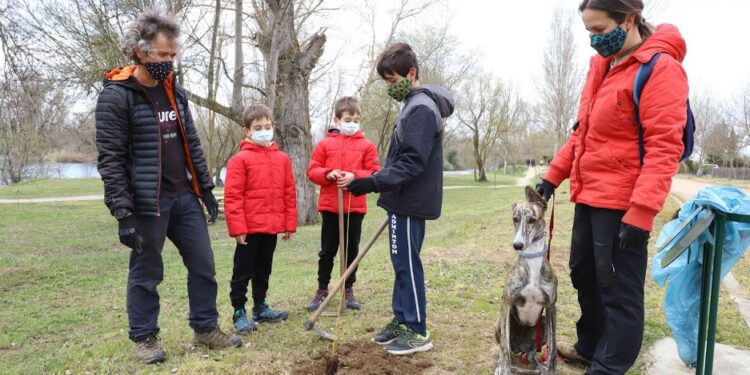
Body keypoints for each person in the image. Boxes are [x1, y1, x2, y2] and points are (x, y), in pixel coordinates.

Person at [535, 1, 688, 374]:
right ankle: (591, 344)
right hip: (589, 193)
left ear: (629, 19)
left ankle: (610, 365)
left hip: (624, 201)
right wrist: (551, 178)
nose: (593, 41)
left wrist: (642, 212)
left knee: (618, 288)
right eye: (589, 32)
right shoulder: (602, 67)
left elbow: (665, 146)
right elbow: (581, 133)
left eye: (600, 31)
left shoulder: (659, 69)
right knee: (583, 273)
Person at [95, 9, 241, 364]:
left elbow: (190, 140)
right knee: (146, 273)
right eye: (163, 55)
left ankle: (205, 328)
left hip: (184, 197)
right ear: (141, 52)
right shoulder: (117, 97)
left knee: (204, 266)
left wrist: (205, 189)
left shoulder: (174, 90)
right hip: (148, 203)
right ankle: (145, 339)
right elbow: (110, 158)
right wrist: (122, 211)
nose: (169, 62)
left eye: (174, 55)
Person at [347, 43, 454, 355]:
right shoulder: (412, 103)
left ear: (412, 72)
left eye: (393, 81)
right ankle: (402, 318)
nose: (390, 88)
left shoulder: (421, 108)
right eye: (386, 83)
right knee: (400, 263)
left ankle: (418, 329)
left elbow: (410, 163)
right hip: (403, 199)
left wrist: (370, 183)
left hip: (412, 200)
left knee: (407, 263)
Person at [224, 104, 297, 334]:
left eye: (267, 126)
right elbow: (233, 196)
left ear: (273, 127)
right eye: (258, 127)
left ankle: (260, 306)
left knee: (264, 269)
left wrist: (288, 224)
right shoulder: (240, 160)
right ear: (248, 130)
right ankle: (238, 311)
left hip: (271, 227)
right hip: (249, 229)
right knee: (242, 271)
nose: (264, 130)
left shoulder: (283, 159)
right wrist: (238, 229)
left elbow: (288, 192)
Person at [306, 96, 380, 311]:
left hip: (354, 206)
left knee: (351, 249)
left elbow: (374, 172)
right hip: (330, 206)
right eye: (348, 119)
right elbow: (312, 170)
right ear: (337, 121)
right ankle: (322, 289)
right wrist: (328, 173)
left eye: (356, 120)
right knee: (327, 250)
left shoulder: (367, 146)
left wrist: (354, 176)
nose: (352, 124)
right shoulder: (324, 144)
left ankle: (348, 288)